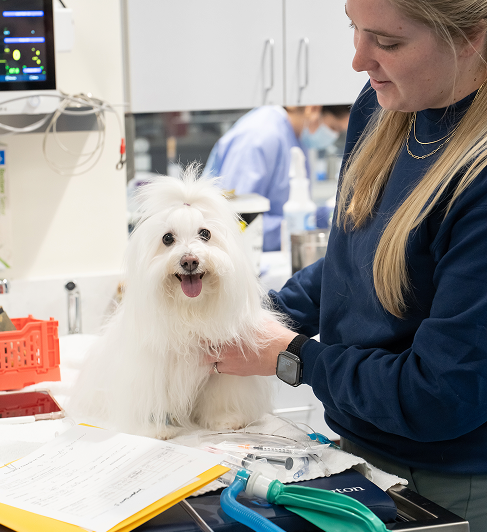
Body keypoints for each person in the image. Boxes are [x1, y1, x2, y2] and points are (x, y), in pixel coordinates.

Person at [206, 0, 487, 529]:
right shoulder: (383, 106)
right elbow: (352, 266)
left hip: (451, 482)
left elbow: (439, 395)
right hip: (360, 449)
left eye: (388, 42)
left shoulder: (478, 180)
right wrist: (252, 312)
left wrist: (290, 356)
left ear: (471, 35)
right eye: (353, 29)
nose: (358, 60)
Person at [203, 105, 349, 251]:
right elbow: (238, 220)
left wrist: (324, 214)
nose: (333, 136)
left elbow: (292, 207)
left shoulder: (296, 138)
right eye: (333, 127)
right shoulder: (261, 135)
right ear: (313, 109)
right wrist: (292, 229)